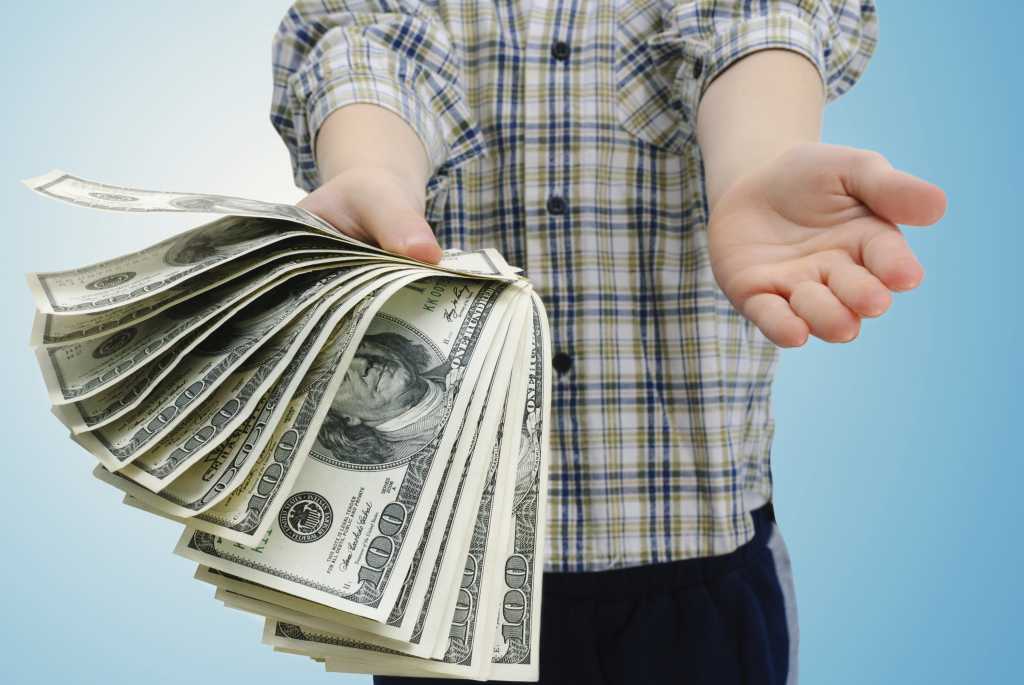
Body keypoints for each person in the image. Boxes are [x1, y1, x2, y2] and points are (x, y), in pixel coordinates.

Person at [270, 2, 946, 683]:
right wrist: (374, 176)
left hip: (699, 563)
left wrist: (758, 163)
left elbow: (749, 24)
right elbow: (372, 52)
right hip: (452, 589)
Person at [315, 331, 447, 467]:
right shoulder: (421, 461)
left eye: (356, 347)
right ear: (346, 418)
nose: (363, 362)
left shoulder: (457, 366)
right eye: (342, 378)